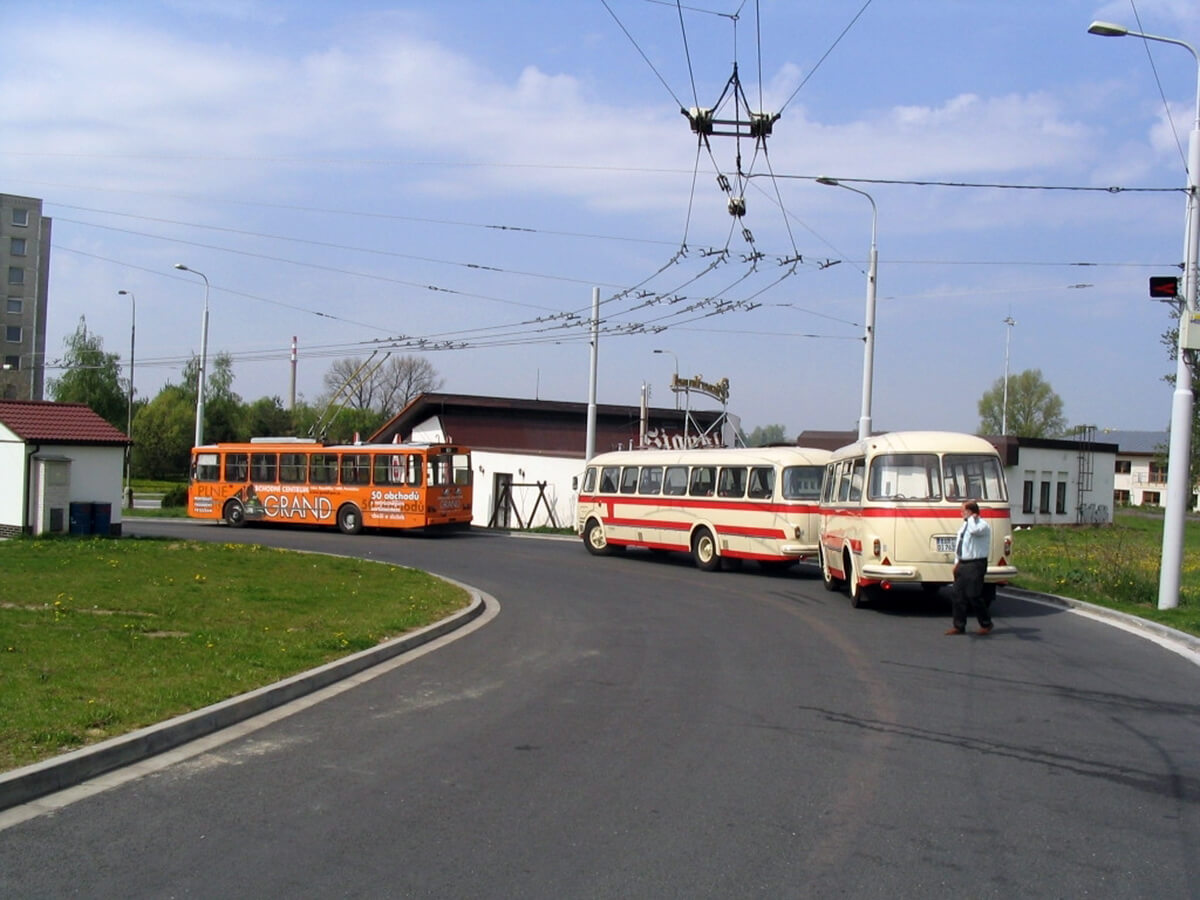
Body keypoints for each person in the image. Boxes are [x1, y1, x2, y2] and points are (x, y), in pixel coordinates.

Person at [946, 500, 993, 635]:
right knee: (957, 595)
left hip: (976, 564)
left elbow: (974, 531)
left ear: (970, 512)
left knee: (973, 595)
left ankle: (986, 623)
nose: (961, 513)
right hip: (963, 563)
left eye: (963, 511)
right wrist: (956, 563)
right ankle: (959, 626)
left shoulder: (982, 525)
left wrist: (972, 518)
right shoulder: (964, 526)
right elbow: (961, 545)